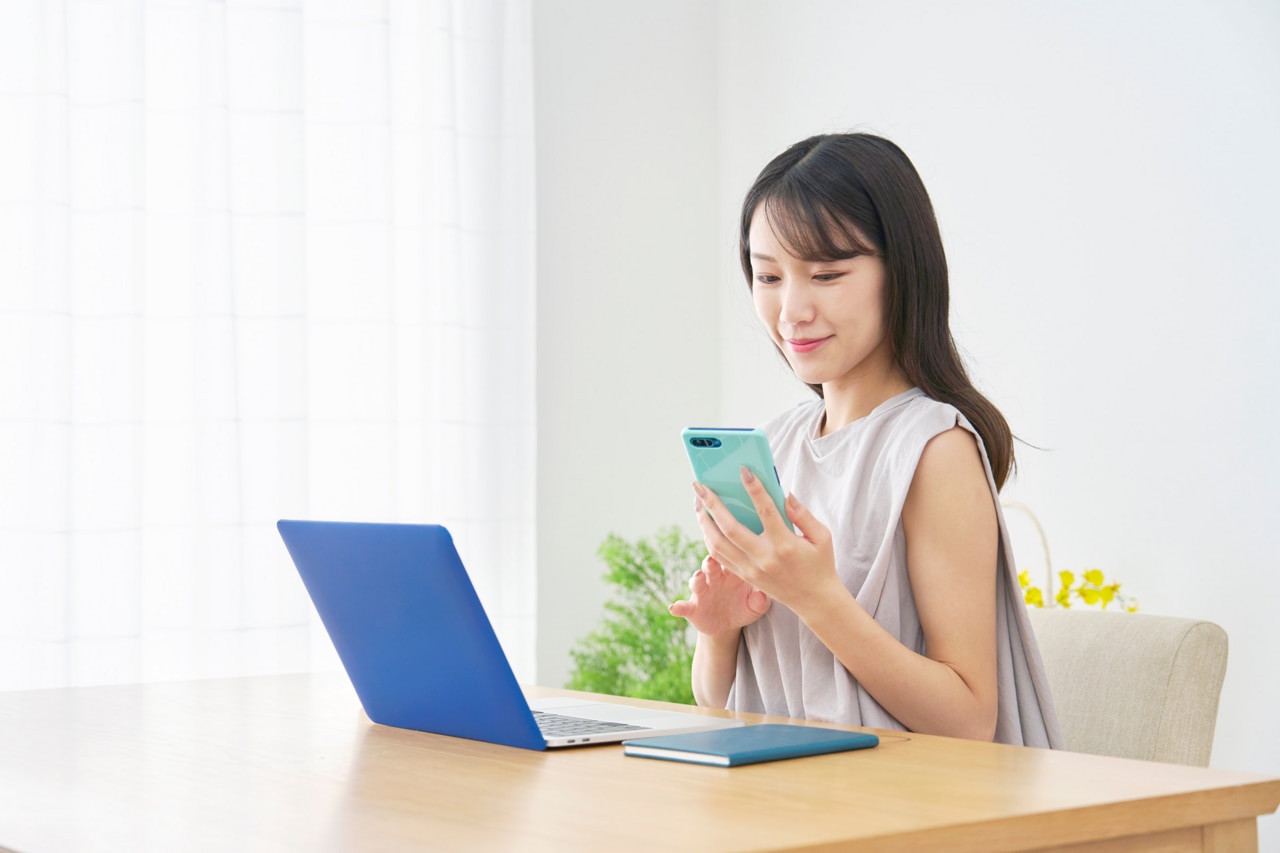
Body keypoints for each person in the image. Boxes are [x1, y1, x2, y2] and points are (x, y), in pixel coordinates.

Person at [668, 133, 1061, 747]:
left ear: (900, 272)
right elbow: (719, 702)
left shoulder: (934, 449)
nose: (790, 310)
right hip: (792, 799)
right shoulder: (776, 445)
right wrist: (720, 631)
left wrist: (817, 598)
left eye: (826, 274)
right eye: (768, 275)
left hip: (905, 809)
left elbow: (969, 720)